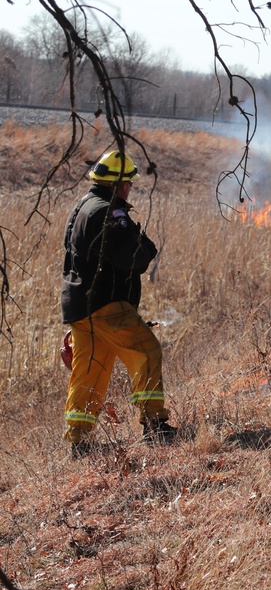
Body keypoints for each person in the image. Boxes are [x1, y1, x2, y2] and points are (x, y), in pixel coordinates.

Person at [62, 149, 176, 457]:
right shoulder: (111, 212)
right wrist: (147, 246)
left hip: (79, 307)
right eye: (128, 183)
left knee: (89, 372)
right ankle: (154, 426)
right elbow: (133, 258)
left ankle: (79, 442)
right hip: (107, 304)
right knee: (147, 351)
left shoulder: (82, 206)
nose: (130, 188)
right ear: (117, 184)